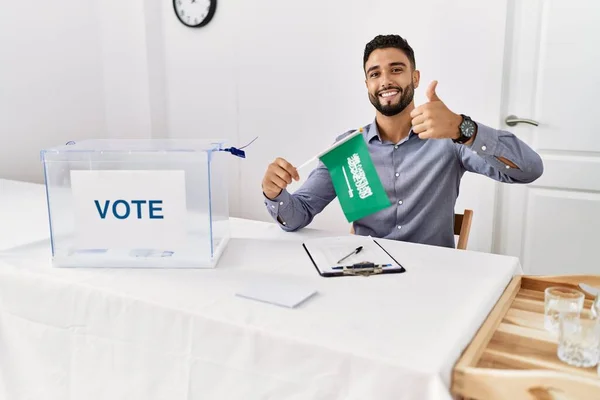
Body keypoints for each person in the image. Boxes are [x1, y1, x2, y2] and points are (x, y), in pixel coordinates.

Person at [260, 34, 543, 248]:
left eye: (396, 69)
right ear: (367, 84)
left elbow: (529, 170)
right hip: (366, 278)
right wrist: (274, 194)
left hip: (433, 283)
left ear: (415, 77)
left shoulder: (450, 138)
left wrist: (463, 128)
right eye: (375, 74)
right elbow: (296, 217)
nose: (385, 80)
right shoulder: (346, 150)